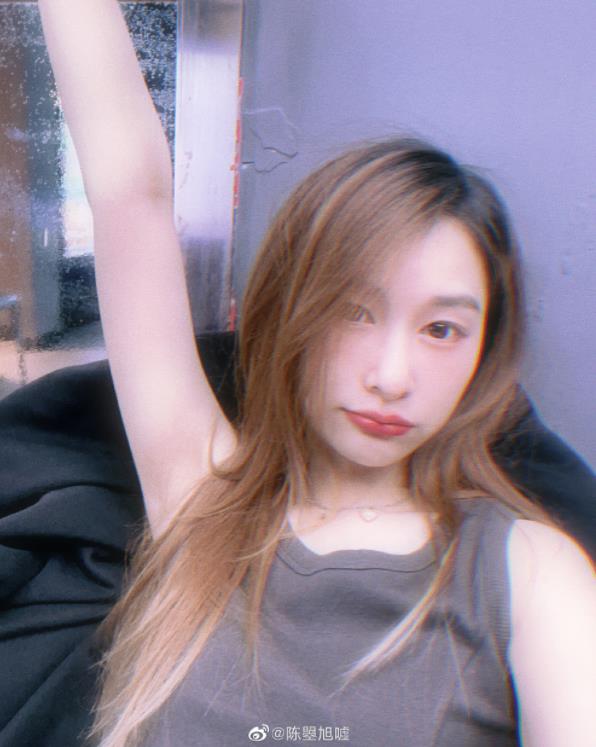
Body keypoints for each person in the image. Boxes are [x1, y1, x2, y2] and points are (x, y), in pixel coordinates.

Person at [38, 2, 595, 746]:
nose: (392, 377)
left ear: (484, 351)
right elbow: (128, 193)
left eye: (441, 330)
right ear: (293, 310)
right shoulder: (202, 499)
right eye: (354, 311)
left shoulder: (528, 573)